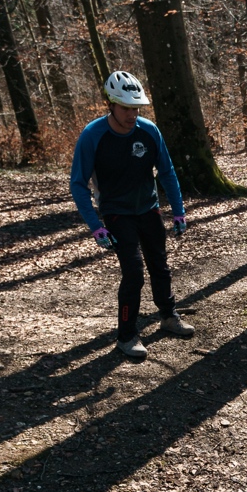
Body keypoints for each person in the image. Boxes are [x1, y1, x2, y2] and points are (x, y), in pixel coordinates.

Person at [70, 70, 196, 361]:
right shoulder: (93, 136)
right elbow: (78, 183)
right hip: (116, 213)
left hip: (148, 209)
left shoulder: (149, 131)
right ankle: (126, 335)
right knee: (134, 273)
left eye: (136, 108)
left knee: (160, 266)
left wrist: (178, 211)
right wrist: (94, 226)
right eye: (126, 107)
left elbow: (166, 171)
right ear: (110, 104)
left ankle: (168, 315)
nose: (131, 114)